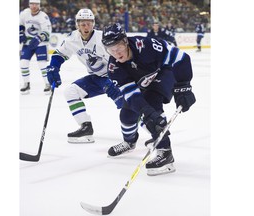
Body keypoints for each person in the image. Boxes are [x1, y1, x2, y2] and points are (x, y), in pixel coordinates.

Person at [101, 23, 196, 176]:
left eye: (118, 46)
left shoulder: (146, 46)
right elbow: (132, 96)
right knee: (126, 115)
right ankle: (129, 142)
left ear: (125, 41)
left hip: (163, 73)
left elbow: (181, 58)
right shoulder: (114, 68)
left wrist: (183, 86)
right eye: (110, 49)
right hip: (143, 82)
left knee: (153, 106)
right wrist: (146, 112)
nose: (116, 53)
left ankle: (165, 153)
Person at [46, 9, 123, 143]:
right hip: (95, 78)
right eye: (82, 24)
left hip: (113, 76)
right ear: (77, 25)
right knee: (71, 92)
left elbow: (119, 58)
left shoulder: (103, 38)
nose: (86, 27)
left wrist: (116, 80)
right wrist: (54, 67)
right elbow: (60, 54)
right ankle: (86, 127)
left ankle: (152, 130)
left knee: (125, 102)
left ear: (93, 24)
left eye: (88, 23)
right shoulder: (72, 38)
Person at [19, 0, 52, 94]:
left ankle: (47, 84)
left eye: (36, 4)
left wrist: (39, 38)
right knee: (23, 63)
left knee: (42, 65)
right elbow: (20, 25)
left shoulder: (43, 16)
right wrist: (20, 34)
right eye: (32, 4)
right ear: (29, 4)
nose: (34, 6)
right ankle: (26, 84)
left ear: (39, 5)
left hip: (41, 44)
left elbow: (47, 30)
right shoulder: (24, 13)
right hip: (27, 43)